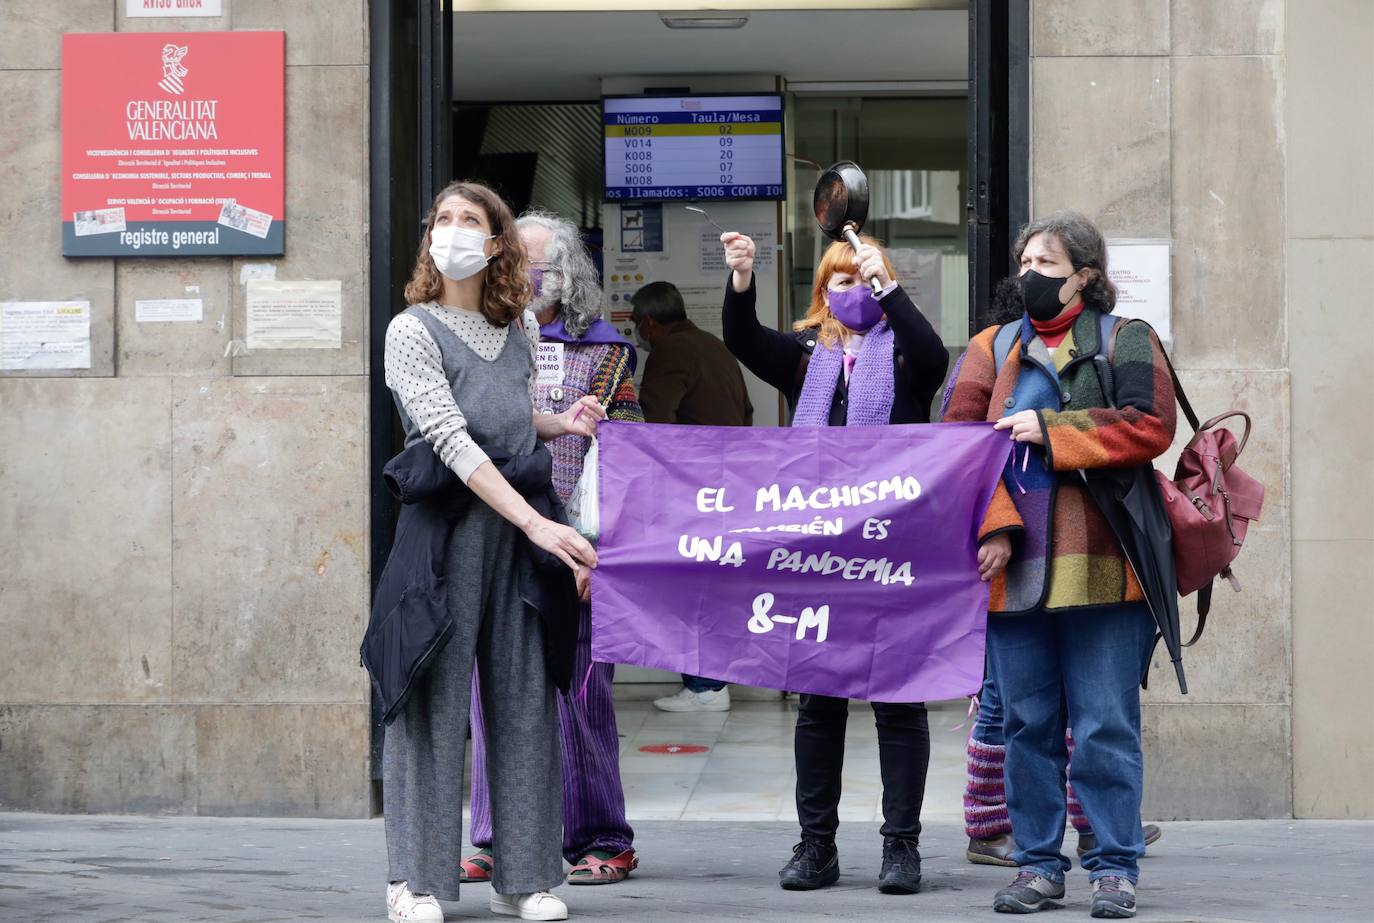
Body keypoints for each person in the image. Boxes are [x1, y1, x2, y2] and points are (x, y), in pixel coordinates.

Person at [380, 181, 604, 923]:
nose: (450, 231)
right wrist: (540, 526)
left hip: (513, 534)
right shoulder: (411, 331)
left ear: (498, 241)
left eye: (468, 220)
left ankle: (528, 874)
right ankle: (413, 880)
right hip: (445, 533)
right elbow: (451, 438)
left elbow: (507, 418)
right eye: (441, 218)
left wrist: (559, 423)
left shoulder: (519, 330)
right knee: (432, 706)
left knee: (523, 700)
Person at [943, 210, 1176, 918]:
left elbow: (1151, 426)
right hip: (1014, 569)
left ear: (1085, 275)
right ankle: (1038, 865)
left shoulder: (1126, 337)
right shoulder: (991, 346)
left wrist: (1051, 429)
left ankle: (1112, 867)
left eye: (1045, 263)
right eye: (1024, 262)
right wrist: (996, 526)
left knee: (1106, 723)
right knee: (1027, 726)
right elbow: (957, 446)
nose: (1029, 275)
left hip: (1105, 564)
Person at [719, 229, 948, 895]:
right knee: (819, 702)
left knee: (898, 703)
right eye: (840, 281)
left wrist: (890, 286)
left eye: (863, 280)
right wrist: (742, 280)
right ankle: (816, 846)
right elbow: (743, 339)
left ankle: (901, 848)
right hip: (818, 557)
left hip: (893, 553)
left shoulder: (906, 355)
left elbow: (934, 352)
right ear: (822, 294)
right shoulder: (804, 357)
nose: (852, 292)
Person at [461, 209, 643, 889]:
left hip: (575, 542)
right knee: (487, 691)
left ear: (565, 275)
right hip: (495, 535)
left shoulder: (605, 351)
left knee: (580, 692)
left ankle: (601, 835)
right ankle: (492, 834)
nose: (525, 273)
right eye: (515, 259)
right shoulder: (482, 339)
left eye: (536, 263)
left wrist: (602, 548)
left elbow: (627, 453)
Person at [630, 280, 753, 714]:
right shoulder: (713, 346)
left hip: (688, 487)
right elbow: (746, 413)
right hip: (726, 484)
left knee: (688, 585)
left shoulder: (670, 352)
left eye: (636, 325)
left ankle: (705, 686)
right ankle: (709, 682)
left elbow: (653, 422)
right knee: (709, 582)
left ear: (648, 322)